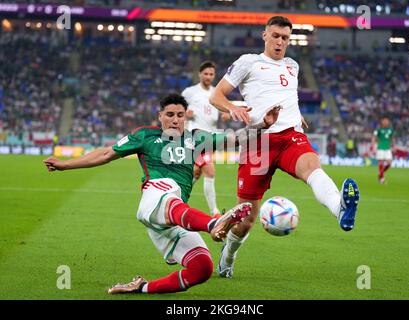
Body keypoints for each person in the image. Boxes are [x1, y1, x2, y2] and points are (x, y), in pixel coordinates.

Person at [43, 94, 253, 294]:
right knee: (170, 189)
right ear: (160, 116)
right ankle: (213, 224)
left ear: (185, 117)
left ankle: (140, 287)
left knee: (202, 268)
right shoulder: (145, 135)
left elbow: (234, 139)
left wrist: (263, 125)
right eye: (169, 115)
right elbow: (107, 153)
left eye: (180, 115)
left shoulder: (196, 138)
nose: (175, 120)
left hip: (173, 218)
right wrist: (65, 165)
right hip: (154, 200)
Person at [209, 16, 360, 278]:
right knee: (246, 219)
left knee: (312, 166)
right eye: (276, 35)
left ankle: (341, 209)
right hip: (258, 140)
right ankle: (228, 256)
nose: (280, 42)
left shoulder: (293, 66)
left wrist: (296, 114)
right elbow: (216, 95)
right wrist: (232, 107)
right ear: (264, 35)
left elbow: (288, 96)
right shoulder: (248, 62)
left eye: (285, 38)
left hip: (291, 135)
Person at [182, 61, 227, 217]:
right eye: (206, 73)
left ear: (214, 76)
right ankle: (214, 212)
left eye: (211, 74)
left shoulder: (216, 93)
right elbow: (178, 109)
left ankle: (178, 198)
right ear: (200, 74)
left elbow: (223, 110)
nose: (208, 77)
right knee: (210, 170)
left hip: (211, 136)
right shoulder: (189, 92)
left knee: (196, 172)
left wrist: (226, 113)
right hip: (196, 134)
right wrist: (184, 113)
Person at [372, 117, 394, 184]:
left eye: (387, 121)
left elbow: (391, 138)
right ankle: (382, 179)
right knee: (381, 162)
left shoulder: (391, 130)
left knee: (389, 164)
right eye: (384, 121)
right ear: (382, 122)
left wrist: (393, 146)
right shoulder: (378, 130)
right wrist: (373, 147)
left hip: (387, 148)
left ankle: (380, 173)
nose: (386, 122)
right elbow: (374, 138)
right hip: (380, 148)